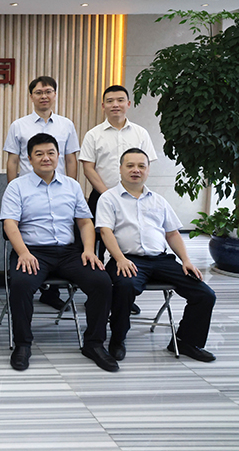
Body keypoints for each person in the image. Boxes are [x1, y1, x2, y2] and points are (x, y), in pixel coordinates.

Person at [0, 133, 117, 372]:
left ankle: (94, 344)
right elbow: (10, 224)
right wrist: (23, 253)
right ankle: (22, 344)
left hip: (69, 252)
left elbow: (85, 222)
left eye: (51, 153)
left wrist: (88, 250)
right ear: (29, 159)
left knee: (102, 282)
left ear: (58, 156)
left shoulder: (72, 186)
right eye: (39, 154)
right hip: (32, 251)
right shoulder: (16, 186)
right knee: (21, 284)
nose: (46, 158)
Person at [97, 148, 216, 362]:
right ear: (120, 169)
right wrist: (120, 259)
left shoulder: (158, 200)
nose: (136, 170)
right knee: (125, 286)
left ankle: (186, 342)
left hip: (161, 260)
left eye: (141, 166)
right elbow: (106, 231)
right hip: (126, 259)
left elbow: (172, 233)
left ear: (148, 170)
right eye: (130, 166)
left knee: (205, 294)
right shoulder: (109, 198)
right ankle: (117, 339)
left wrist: (186, 260)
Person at [3, 76, 81, 311]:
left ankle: (51, 293)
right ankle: (32, 283)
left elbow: (70, 159)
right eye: (38, 92)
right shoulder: (19, 125)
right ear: (31, 96)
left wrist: (70, 188)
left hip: (59, 191)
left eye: (48, 91)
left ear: (55, 94)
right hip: (28, 193)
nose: (44, 96)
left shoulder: (66, 125)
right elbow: (12, 160)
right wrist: (14, 190)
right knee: (33, 236)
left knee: (57, 234)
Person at [80, 84, 157, 314]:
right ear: (103, 105)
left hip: (133, 198)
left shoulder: (140, 133)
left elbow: (146, 165)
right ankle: (96, 295)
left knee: (127, 241)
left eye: (120, 100)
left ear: (128, 104)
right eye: (110, 101)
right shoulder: (93, 134)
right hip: (101, 196)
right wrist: (107, 194)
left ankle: (124, 293)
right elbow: (88, 168)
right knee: (96, 246)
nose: (115, 105)